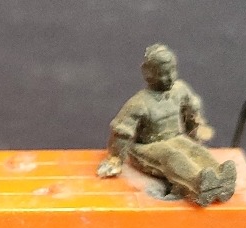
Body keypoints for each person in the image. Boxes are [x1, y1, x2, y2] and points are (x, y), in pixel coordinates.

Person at [97, 44, 236, 206]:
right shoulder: (139, 103)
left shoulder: (180, 90)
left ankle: (221, 176)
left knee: (194, 149)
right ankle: (198, 183)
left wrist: (196, 130)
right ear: (148, 73)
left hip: (175, 138)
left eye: (172, 71)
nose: (170, 78)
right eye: (163, 74)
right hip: (146, 148)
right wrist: (115, 159)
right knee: (172, 155)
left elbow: (191, 113)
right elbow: (121, 132)